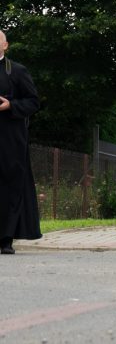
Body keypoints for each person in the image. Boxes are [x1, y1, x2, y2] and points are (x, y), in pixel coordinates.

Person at [0, 30, 41, 255]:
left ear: (5, 45)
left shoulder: (16, 71)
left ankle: (6, 239)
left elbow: (33, 102)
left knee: (9, 188)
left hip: (10, 142)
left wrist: (11, 105)